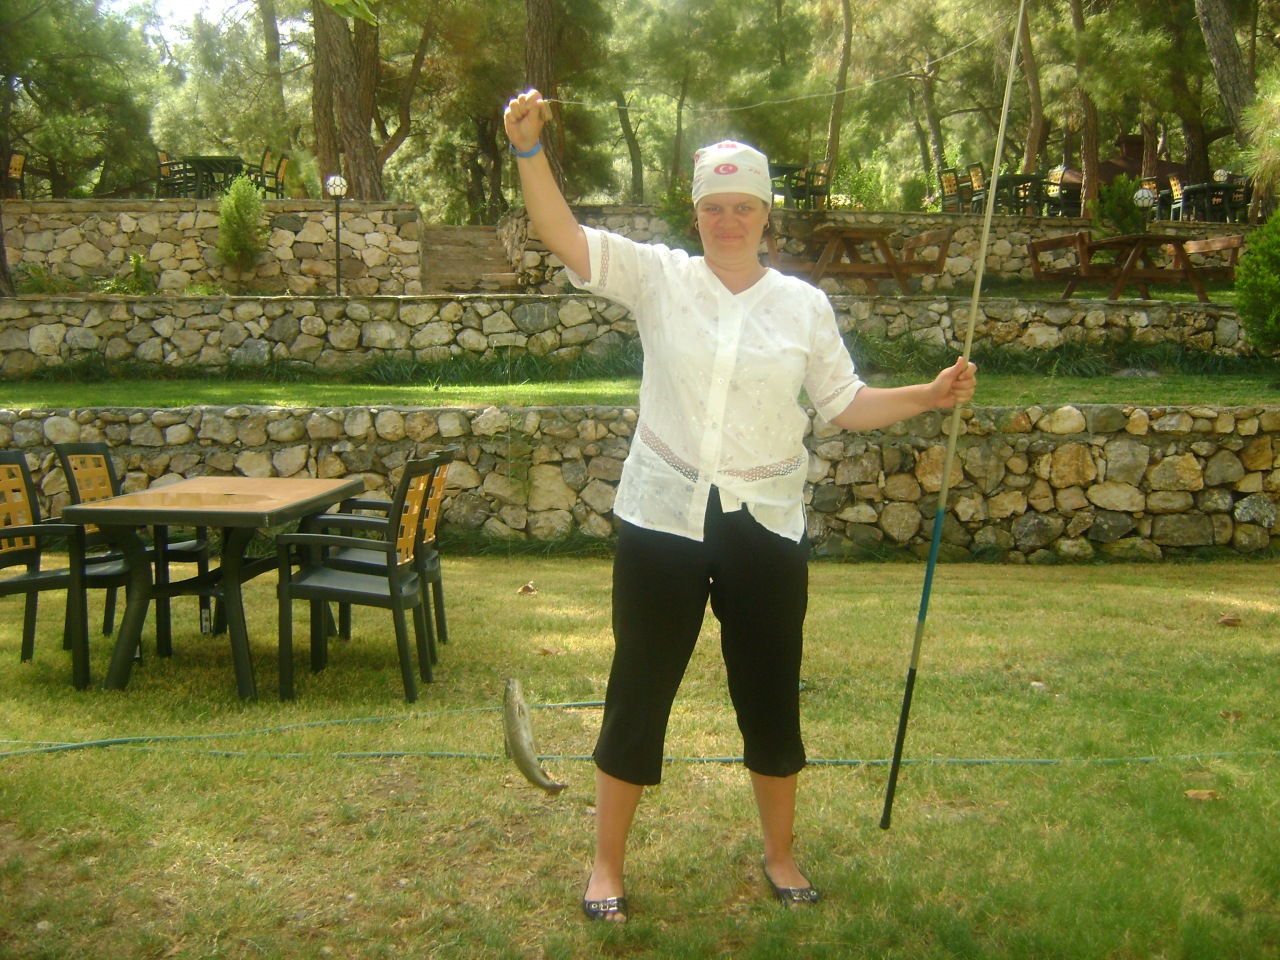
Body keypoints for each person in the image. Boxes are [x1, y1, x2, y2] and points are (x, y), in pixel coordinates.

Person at [503, 89, 977, 923]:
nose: (728, 221)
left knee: (769, 692)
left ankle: (781, 855)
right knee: (637, 689)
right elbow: (565, 236)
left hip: (766, 524)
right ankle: (605, 867)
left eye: (744, 207)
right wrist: (529, 151)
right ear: (697, 214)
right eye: (714, 207)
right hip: (662, 520)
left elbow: (844, 402)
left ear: (766, 216)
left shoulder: (802, 305)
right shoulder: (660, 278)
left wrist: (928, 396)